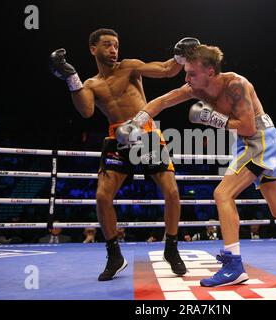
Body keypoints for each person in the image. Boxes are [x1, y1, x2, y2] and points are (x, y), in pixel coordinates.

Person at [119, 44, 276, 287]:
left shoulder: (236, 86)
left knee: (222, 193)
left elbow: (248, 127)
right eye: (186, 73)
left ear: (210, 72)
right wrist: (135, 123)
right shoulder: (196, 88)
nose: (186, 78)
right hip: (248, 144)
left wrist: (210, 118)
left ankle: (233, 264)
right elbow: (163, 101)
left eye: (192, 73)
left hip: (260, 140)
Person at [50, 28, 199, 281]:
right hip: (116, 138)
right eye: (107, 45)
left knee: (172, 192)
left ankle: (172, 249)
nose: (113, 50)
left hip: (146, 133)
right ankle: (114, 255)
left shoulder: (129, 67)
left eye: (116, 45)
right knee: (102, 196)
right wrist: (71, 77)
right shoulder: (91, 84)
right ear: (93, 49)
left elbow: (165, 70)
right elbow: (85, 111)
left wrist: (180, 56)